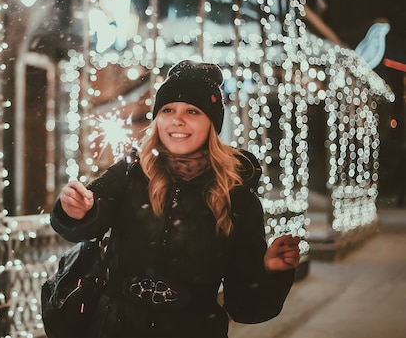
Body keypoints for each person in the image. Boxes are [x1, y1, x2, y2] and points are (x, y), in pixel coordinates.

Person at [50, 60, 301, 338]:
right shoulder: (132, 171)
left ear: (211, 123)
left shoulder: (236, 194)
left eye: (192, 111)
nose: (177, 119)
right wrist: (76, 211)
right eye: (168, 109)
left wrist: (269, 271)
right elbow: (86, 224)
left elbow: (244, 306)